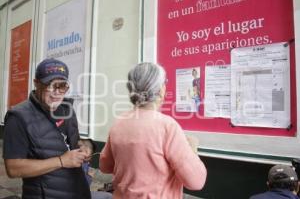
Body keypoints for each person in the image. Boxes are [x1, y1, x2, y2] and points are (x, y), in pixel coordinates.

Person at [100, 62, 207, 199]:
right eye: (165, 82)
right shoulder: (167, 126)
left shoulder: (118, 123)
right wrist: (192, 149)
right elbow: (196, 182)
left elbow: (105, 166)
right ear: (161, 90)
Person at [2, 58, 91, 199]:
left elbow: (74, 142)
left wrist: (86, 146)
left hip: (78, 190)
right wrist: (61, 161)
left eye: (62, 86)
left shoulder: (67, 109)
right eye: (50, 85)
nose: (57, 92)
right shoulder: (18, 117)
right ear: (36, 83)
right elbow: (13, 168)